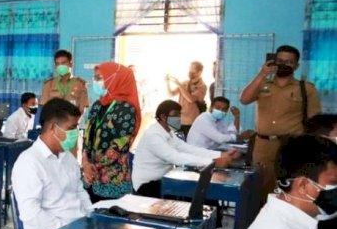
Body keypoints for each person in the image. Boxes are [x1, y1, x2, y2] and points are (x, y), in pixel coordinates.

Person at [240, 45, 321, 203]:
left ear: (296, 66)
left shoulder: (306, 89)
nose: (283, 64)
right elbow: (244, 99)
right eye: (280, 60)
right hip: (262, 147)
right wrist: (262, 74)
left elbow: (315, 123)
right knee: (260, 191)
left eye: (289, 62)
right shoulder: (263, 84)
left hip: (291, 146)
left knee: (289, 192)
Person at [11, 98, 92, 229]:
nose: (76, 133)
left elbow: (79, 192)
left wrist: (90, 217)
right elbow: (31, 214)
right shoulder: (29, 163)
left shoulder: (67, 157)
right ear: (53, 128)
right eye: (71, 128)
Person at [132, 100, 237, 198]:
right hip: (147, 185)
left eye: (179, 115)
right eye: (175, 115)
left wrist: (220, 155)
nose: (178, 118)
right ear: (163, 117)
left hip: (164, 180)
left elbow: (188, 149)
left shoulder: (168, 132)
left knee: (201, 190)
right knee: (195, 191)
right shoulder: (153, 135)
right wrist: (212, 162)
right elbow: (175, 157)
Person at [81, 62, 141, 201]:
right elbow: (87, 136)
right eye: (95, 78)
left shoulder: (126, 109)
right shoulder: (97, 105)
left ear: (115, 79)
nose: (95, 82)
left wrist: (92, 167)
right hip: (90, 179)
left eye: (99, 78)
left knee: (110, 222)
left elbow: (119, 145)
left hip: (113, 182)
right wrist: (85, 163)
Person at [187, 96, 255, 150]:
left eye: (224, 109)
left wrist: (237, 117)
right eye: (218, 107)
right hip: (196, 153)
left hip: (209, 151)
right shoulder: (204, 118)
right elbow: (220, 139)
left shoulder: (219, 120)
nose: (221, 110)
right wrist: (239, 137)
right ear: (211, 107)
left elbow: (232, 133)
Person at [40, 49, 89, 114]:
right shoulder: (49, 84)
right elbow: (44, 108)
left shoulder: (80, 84)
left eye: (63, 63)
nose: (60, 66)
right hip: (54, 122)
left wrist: (74, 122)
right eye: (58, 64)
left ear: (71, 64)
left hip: (73, 122)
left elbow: (82, 108)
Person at [166, 61, 207, 136]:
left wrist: (179, 85)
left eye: (193, 70)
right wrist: (167, 82)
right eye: (189, 69)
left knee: (187, 143)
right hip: (178, 118)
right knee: (174, 141)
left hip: (190, 121)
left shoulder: (202, 86)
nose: (190, 72)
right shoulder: (185, 83)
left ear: (199, 72)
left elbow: (190, 99)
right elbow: (171, 93)